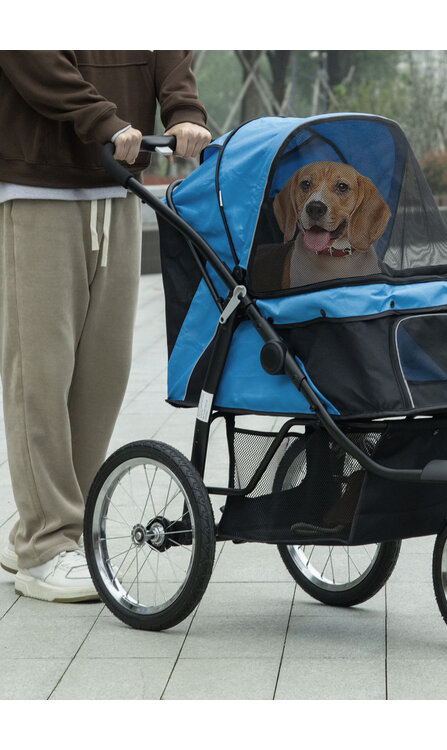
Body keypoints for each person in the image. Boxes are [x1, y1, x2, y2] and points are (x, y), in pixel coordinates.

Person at [0, 51, 211, 602]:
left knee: (104, 373)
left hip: (117, 187)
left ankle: (44, 527)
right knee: (40, 374)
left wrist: (183, 110)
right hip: (38, 188)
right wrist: (108, 122)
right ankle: (47, 544)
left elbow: (166, 48)